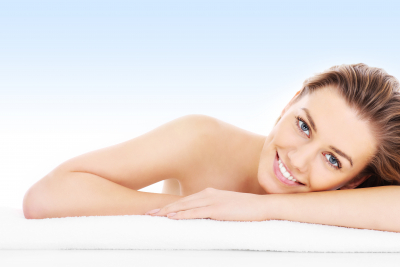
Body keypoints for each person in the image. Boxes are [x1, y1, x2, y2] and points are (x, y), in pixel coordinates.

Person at [23, 63, 400, 232]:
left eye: (333, 160)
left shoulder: (358, 201)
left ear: (355, 181)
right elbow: (46, 196)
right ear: (289, 104)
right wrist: (205, 211)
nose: (297, 159)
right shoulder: (202, 139)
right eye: (303, 125)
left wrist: (261, 209)